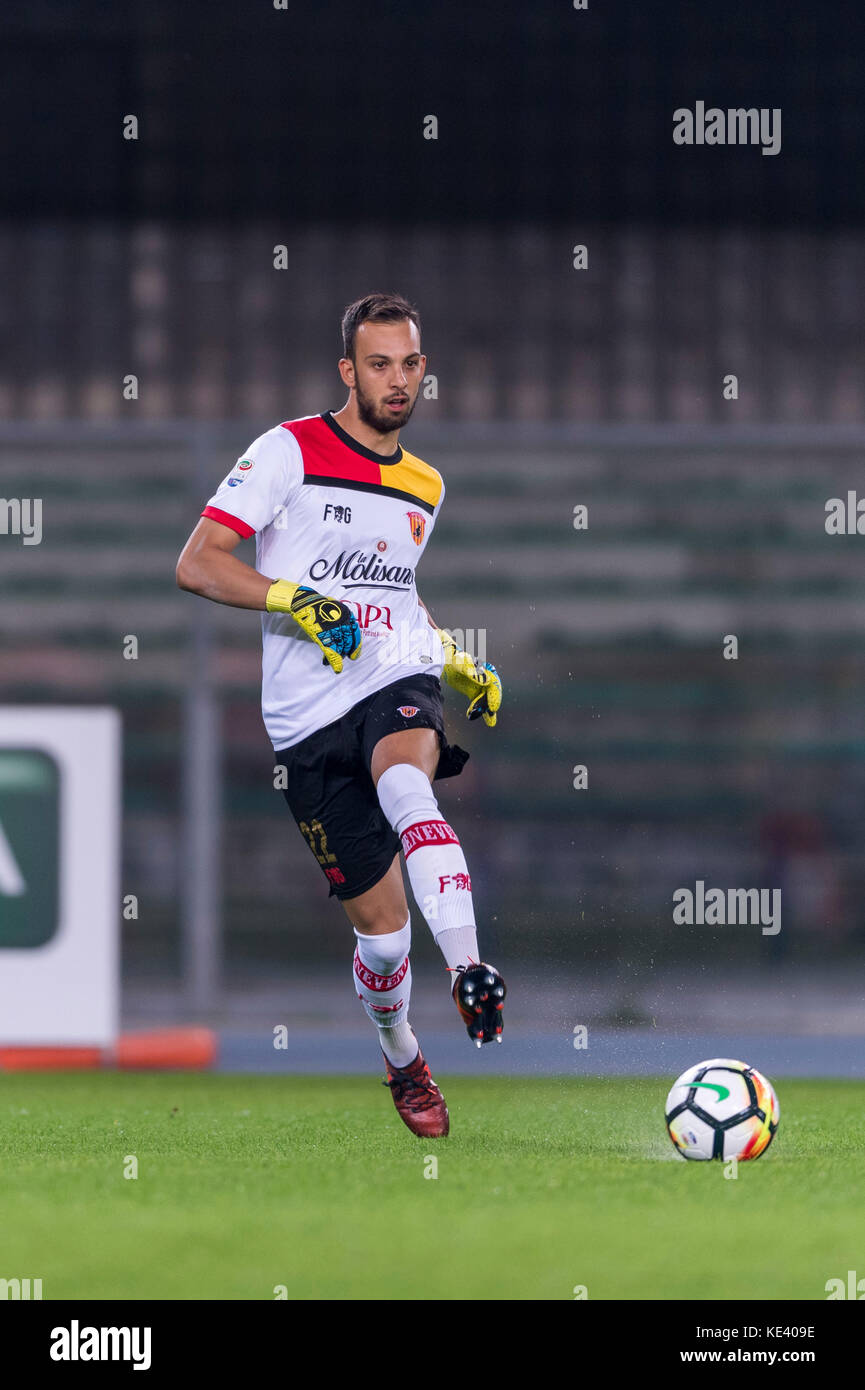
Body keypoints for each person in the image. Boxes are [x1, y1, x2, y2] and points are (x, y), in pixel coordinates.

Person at [176, 292, 506, 1138]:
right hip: (304, 723)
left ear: (422, 370)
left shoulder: (426, 485)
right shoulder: (286, 451)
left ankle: (470, 966)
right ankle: (402, 1055)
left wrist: (456, 660)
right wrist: (295, 598)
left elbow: (398, 595)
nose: (395, 381)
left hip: (392, 678)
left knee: (409, 783)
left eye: (408, 365)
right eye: (378, 364)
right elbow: (200, 564)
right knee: (385, 941)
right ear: (347, 371)